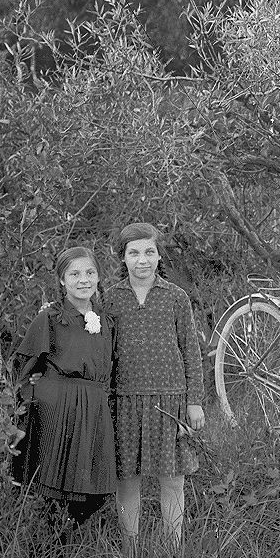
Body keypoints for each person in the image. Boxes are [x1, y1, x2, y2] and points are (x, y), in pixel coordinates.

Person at [100, 223, 205, 541]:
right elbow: (104, 353)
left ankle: (175, 548)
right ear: (123, 257)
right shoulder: (110, 299)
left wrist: (194, 400)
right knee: (127, 478)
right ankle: (130, 548)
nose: (141, 260)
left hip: (169, 400)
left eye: (149, 252)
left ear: (159, 256)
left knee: (172, 478)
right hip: (125, 400)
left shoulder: (175, 297)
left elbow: (190, 349)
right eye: (134, 253)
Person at [11, 246, 117, 527]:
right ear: (62, 279)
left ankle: (68, 530)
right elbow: (26, 367)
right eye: (75, 273)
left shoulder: (106, 320)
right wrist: (32, 398)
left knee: (97, 488)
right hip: (57, 408)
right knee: (52, 489)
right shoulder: (50, 318)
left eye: (90, 272)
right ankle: (48, 551)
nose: (83, 280)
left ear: (98, 276)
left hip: (93, 406)